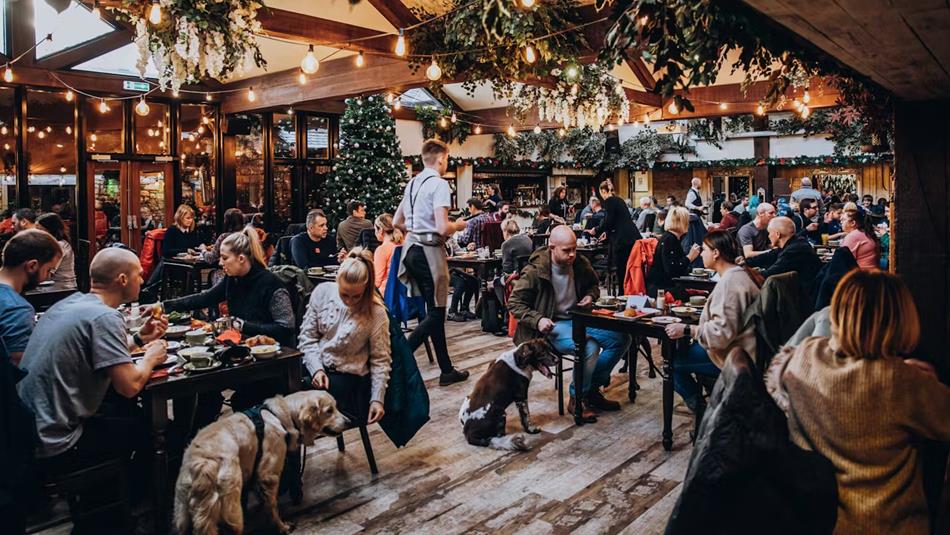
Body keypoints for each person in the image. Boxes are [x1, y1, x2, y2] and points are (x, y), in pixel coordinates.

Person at [766, 270, 950, 535]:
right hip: (884, 524)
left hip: (809, 515)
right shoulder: (901, 381)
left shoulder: (805, 353)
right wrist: (924, 380)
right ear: (900, 319)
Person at [17, 248, 168, 479]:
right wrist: (151, 357)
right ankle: (136, 501)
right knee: (154, 430)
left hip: (26, 430)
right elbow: (129, 386)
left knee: (127, 413)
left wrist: (139, 339)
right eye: (138, 274)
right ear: (122, 280)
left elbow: (94, 352)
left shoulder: (71, 304)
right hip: (57, 441)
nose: (143, 279)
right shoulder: (105, 317)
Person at [508, 225, 631, 421]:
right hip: (552, 324)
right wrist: (538, 320)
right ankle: (577, 398)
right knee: (588, 346)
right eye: (566, 250)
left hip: (580, 317)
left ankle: (590, 389)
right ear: (552, 248)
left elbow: (593, 285)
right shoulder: (535, 271)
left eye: (574, 248)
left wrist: (590, 296)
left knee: (622, 338)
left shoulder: (579, 263)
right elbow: (514, 303)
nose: (572, 254)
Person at [393, 139, 469, 386]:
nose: (447, 163)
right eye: (447, 159)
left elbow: (396, 221)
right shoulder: (439, 185)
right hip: (429, 252)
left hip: (411, 250)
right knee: (436, 314)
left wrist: (416, 228)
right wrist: (459, 225)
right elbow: (442, 227)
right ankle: (399, 356)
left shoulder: (413, 183)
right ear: (440, 159)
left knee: (433, 311)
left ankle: (446, 370)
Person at [663, 231, 762, 412]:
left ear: (716, 253)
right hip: (743, 348)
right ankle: (716, 395)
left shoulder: (730, 283)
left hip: (735, 354)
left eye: (705, 250)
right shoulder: (739, 274)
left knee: (672, 364)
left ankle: (704, 411)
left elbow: (721, 334)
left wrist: (687, 329)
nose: (701, 254)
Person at [300, 249, 392, 426]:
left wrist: (377, 399)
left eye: (356, 296)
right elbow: (307, 338)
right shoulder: (323, 292)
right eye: (344, 294)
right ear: (337, 282)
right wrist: (317, 369)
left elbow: (381, 360)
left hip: (348, 378)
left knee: (291, 400)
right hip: (315, 364)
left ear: (366, 289)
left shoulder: (376, 313)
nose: (349, 301)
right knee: (276, 387)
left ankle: (287, 449)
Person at [163, 227, 296, 346]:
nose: (220, 263)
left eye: (225, 258)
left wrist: (243, 326)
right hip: (241, 347)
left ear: (241, 259)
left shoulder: (271, 284)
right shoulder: (233, 279)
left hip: (274, 354)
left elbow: (286, 328)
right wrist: (163, 306)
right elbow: (205, 298)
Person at [0, 230, 62, 366]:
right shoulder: (17, 309)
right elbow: (19, 369)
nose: (49, 276)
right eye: (49, 270)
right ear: (32, 266)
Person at [589, 179, 642, 292]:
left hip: (623, 240)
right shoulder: (619, 200)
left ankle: (623, 293)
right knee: (629, 267)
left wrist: (596, 230)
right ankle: (629, 291)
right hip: (631, 237)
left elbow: (609, 221)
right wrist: (606, 233)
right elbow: (617, 221)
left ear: (603, 191)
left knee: (621, 268)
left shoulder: (609, 201)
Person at [747, 217, 822, 296]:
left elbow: (769, 274)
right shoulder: (794, 243)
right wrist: (744, 263)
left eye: (769, 233)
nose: (768, 236)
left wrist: (746, 272)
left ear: (778, 234)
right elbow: (767, 256)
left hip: (806, 297)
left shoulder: (794, 250)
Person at [646, 207, 698, 297]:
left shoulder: (670, 237)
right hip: (663, 289)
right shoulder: (670, 240)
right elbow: (671, 269)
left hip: (663, 286)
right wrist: (689, 257)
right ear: (682, 222)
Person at [35, 213, 76, 290]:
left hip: (61, 287)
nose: (36, 233)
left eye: (40, 230)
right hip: (50, 285)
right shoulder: (48, 244)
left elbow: (46, 273)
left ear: (49, 230)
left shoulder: (59, 246)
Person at [373, 213, 403, 291]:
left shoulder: (382, 249)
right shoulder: (403, 245)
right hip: (403, 294)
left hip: (386, 293)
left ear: (381, 230)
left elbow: (377, 281)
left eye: (375, 229)